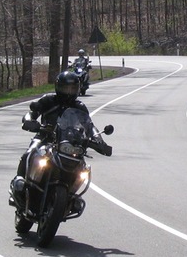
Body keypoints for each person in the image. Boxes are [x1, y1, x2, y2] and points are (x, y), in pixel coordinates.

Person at [9, 70, 111, 205]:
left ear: (77, 89)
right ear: (58, 87)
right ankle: (20, 184)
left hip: (69, 143)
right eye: (65, 88)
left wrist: (98, 140)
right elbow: (32, 113)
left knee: (82, 167)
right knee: (28, 154)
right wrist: (30, 122)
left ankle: (71, 195)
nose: (68, 92)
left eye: (72, 88)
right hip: (45, 137)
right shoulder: (48, 100)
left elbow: (89, 125)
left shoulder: (79, 106)